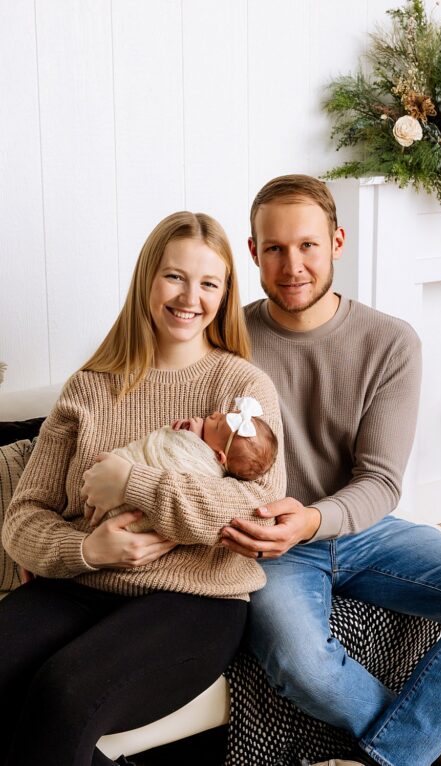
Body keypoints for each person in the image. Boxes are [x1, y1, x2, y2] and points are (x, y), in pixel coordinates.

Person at [86, 174, 441, 766]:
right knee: (299, 662)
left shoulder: (391, 343)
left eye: (308, 245)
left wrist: (312, 519)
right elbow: (175, 445)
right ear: (253, 252)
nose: (293, 266)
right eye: (275, 249)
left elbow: (381, 481)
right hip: (264, 546)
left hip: (361, 532)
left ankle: (401, 752)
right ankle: (433, 742)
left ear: (337, 242)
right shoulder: (223, 341)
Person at [0, 211, 285, 766]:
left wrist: (135, 483)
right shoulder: (88, 387)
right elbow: (24, 516)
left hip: (194, 600)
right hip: (77, 586)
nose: (190, 298)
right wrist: (87, 548)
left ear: (225, 294)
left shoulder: (242, 389)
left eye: (209, 283)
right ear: (148, 279)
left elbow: (255, 510)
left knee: (63, 693)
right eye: (175, 276)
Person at [93, 398, 279, 535]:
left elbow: (180, 465)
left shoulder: (208, 470)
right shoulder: (207, 439)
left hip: (131, 506)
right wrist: (186, 433)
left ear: (218, 456)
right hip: (103, 483)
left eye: (217, 424)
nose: (215, 414)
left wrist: (188, 439)